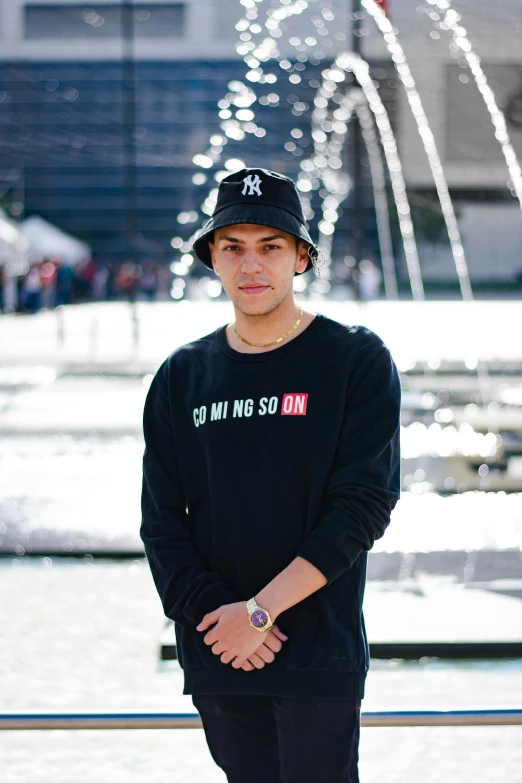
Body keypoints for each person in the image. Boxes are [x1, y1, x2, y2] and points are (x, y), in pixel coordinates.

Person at [140, 168, 401, 783]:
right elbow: (161, 523)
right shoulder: (183, 375)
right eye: (233, 247)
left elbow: (363, 507)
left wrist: (259, 612)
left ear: (302, 257)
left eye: (270, 246)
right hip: (218, 645)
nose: (250, 265)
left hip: (317, 648)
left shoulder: (354, 359)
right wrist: (224, 619)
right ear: (212, 258)